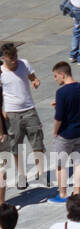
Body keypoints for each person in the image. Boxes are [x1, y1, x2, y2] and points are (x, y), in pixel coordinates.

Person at [0, 43, 44, 198]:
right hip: (12, 113)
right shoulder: (1, 72)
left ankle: (41, 172)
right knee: (15, 145)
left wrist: (35, 81)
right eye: (11, 58)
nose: (15, 60)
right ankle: (21, 175)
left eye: (16, 56)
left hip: (29, 109)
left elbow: (33, 77)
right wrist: (2, 111)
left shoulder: (24, 64)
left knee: (37, 140)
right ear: (4, 58)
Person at [49, 62, 80, 201]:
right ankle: (77, 193)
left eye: (55, 76)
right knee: (78, 163)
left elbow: (59, 117)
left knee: (61, 165)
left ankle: (62, 194)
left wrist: (55, 131)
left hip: (66, 134)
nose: (55, 79)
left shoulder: (61, 92)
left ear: (62, 74)